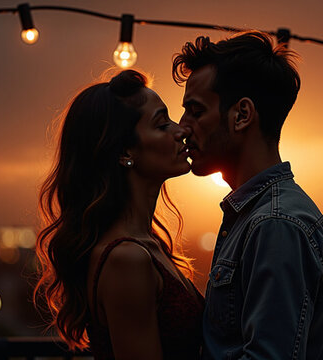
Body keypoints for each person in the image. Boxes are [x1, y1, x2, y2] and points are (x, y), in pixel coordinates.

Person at [173, 31, 323, 359]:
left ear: (242, 115)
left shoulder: (276, 224)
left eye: (195, 111)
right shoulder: (258, 216)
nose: (182, 126)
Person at [33, 70, 204, 360]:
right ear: (125, 151)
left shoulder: (146, 246)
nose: (181, 130)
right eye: (162, 124)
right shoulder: (127, 258)